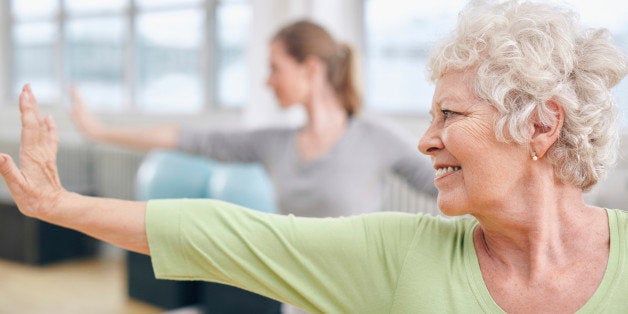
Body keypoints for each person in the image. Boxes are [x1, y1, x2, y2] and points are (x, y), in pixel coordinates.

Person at [1, 0, 627, 312]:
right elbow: (226, 227)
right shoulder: (399, 253)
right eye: (430, 116)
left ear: (542, 126)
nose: (426, 138)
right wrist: (64, 200)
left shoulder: (375, 140)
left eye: (450, 116)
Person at [70, 20, 437, 219]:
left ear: (310, 69)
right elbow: (188, 138)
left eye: (275, 68)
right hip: (297, 298)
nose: (267, 80)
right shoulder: (273, 143)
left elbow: (446, 188)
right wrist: (101, 132)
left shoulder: (378, 138)